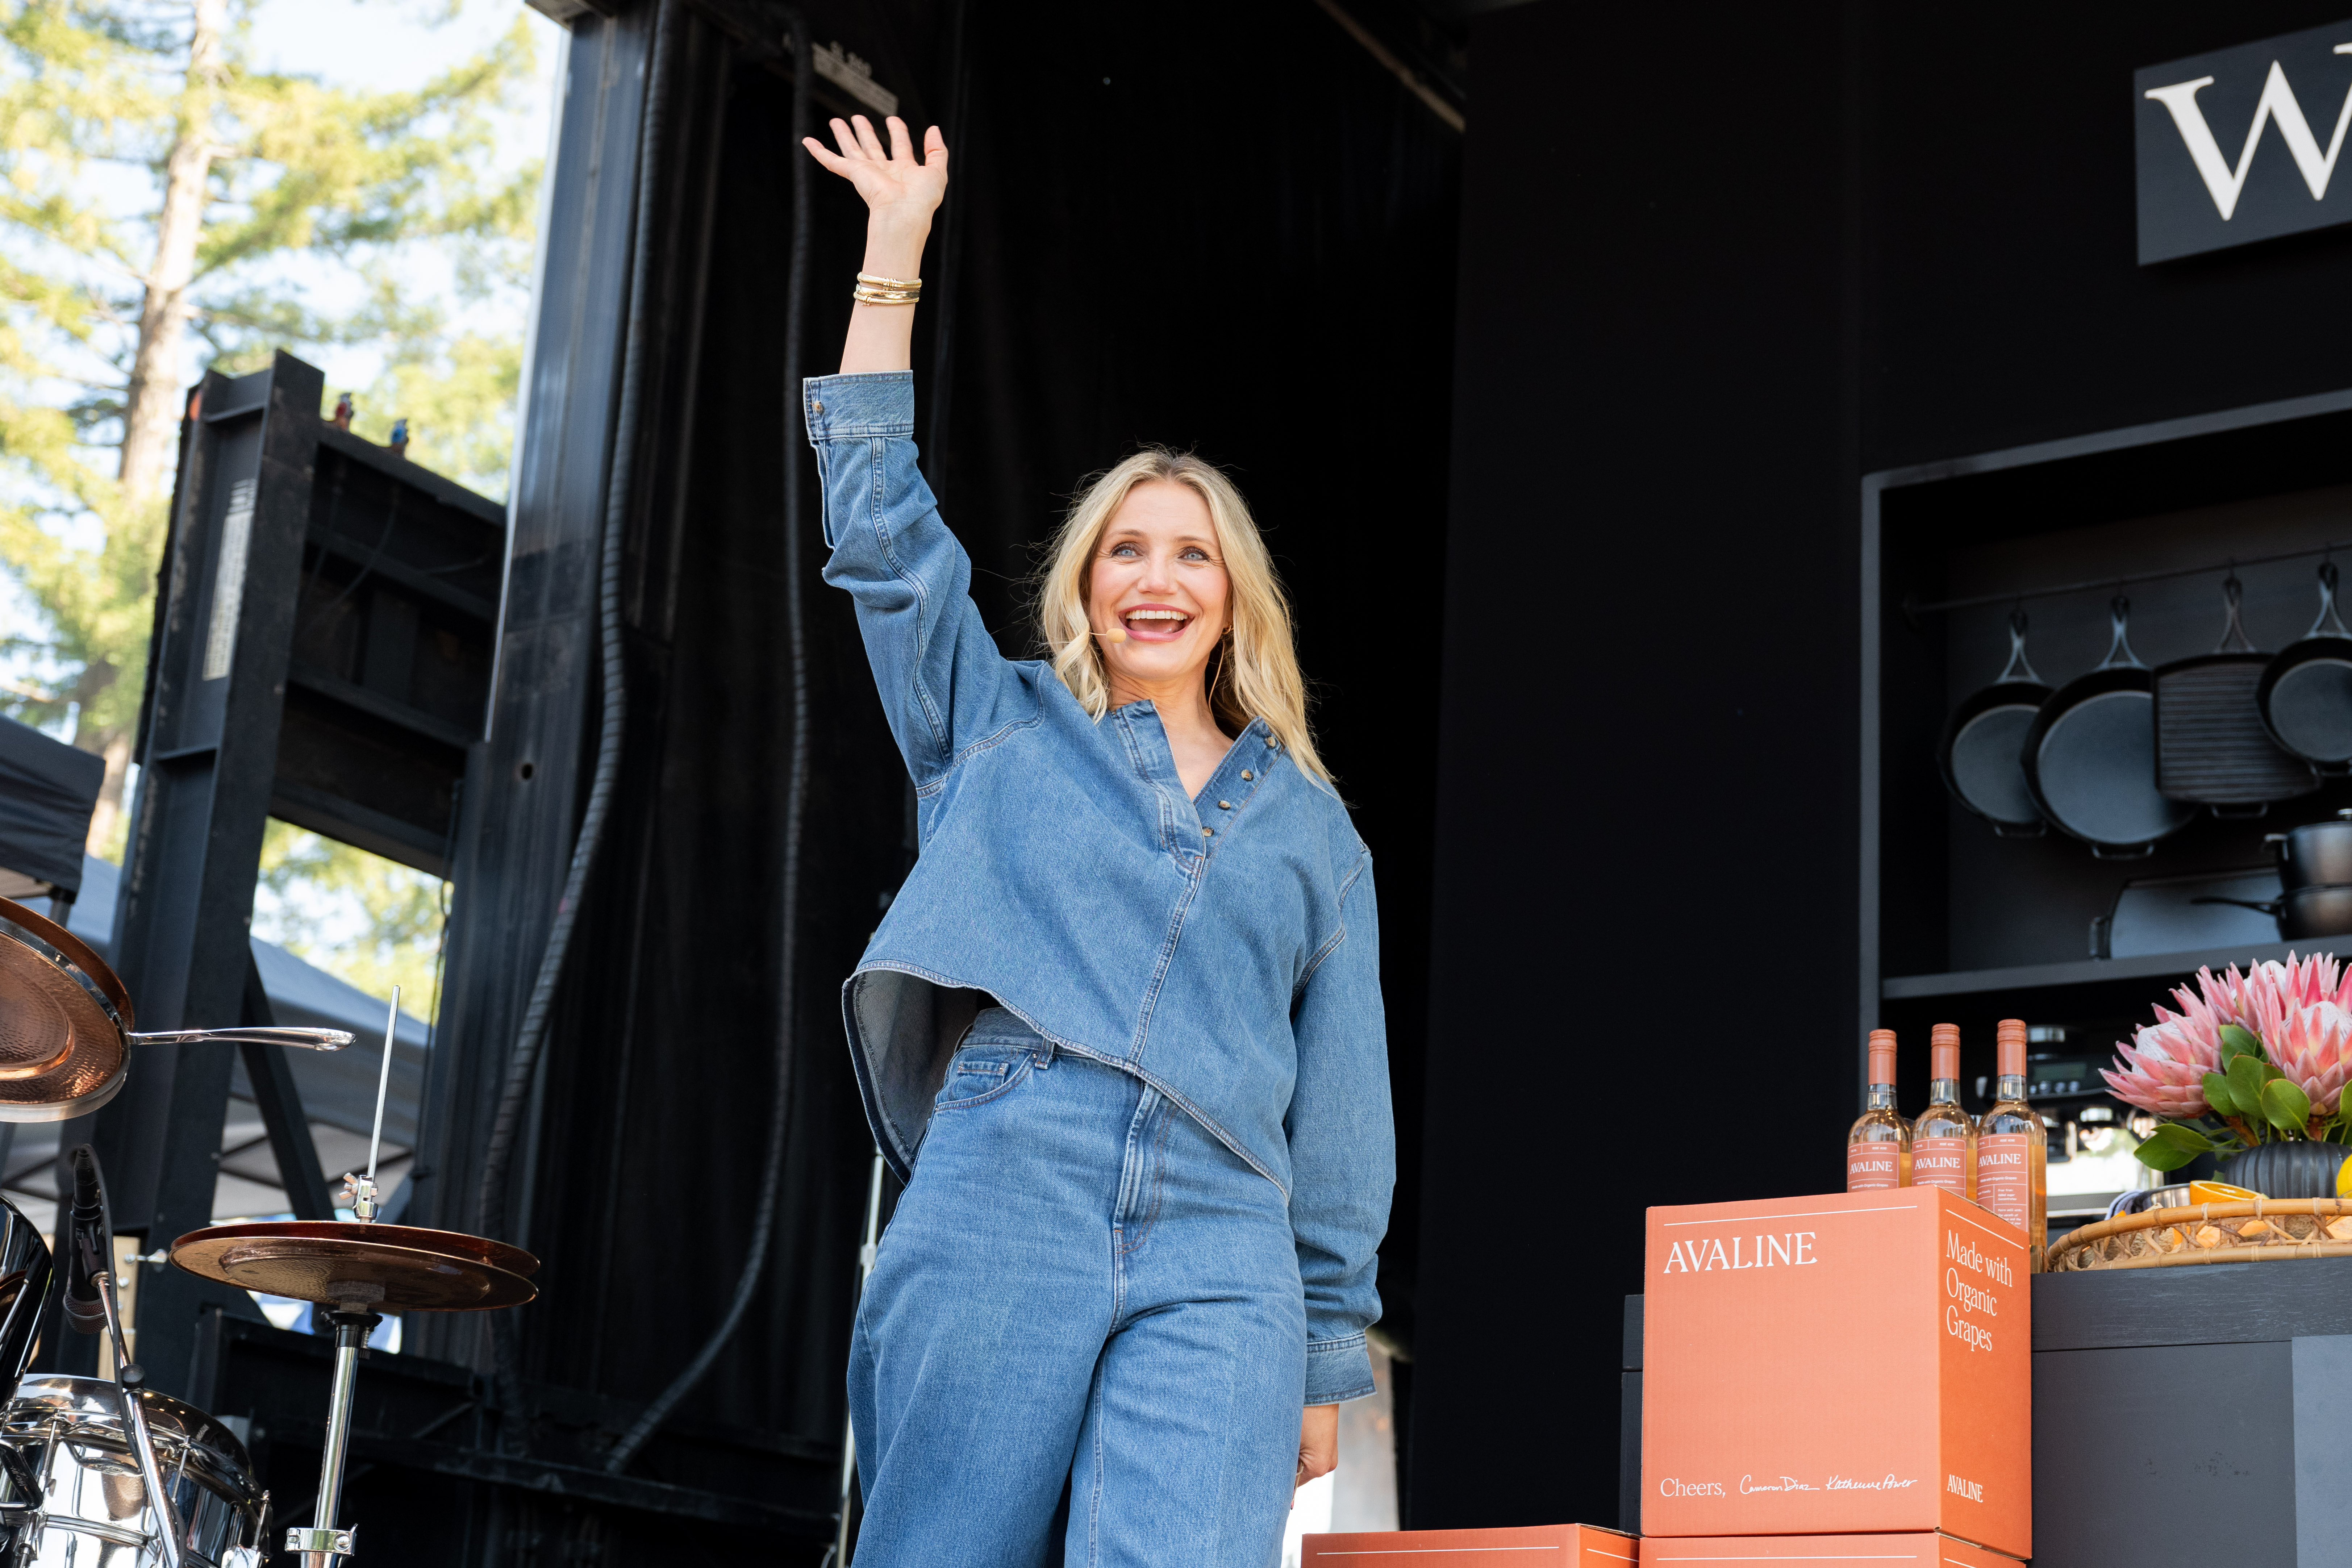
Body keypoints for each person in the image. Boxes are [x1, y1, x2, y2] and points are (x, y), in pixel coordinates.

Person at [801, 113, 1394, 1568]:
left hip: (1226, 1233)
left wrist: (1329, 1339)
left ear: (1236, 596)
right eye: (1127, 546)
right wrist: (895, 252)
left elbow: (1344, 1115)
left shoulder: (1311, 830)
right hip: (1014, 1162)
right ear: (1086, 579)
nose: (1157, 575)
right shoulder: (994, 724)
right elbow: (882, 531)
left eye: (1191, 551)